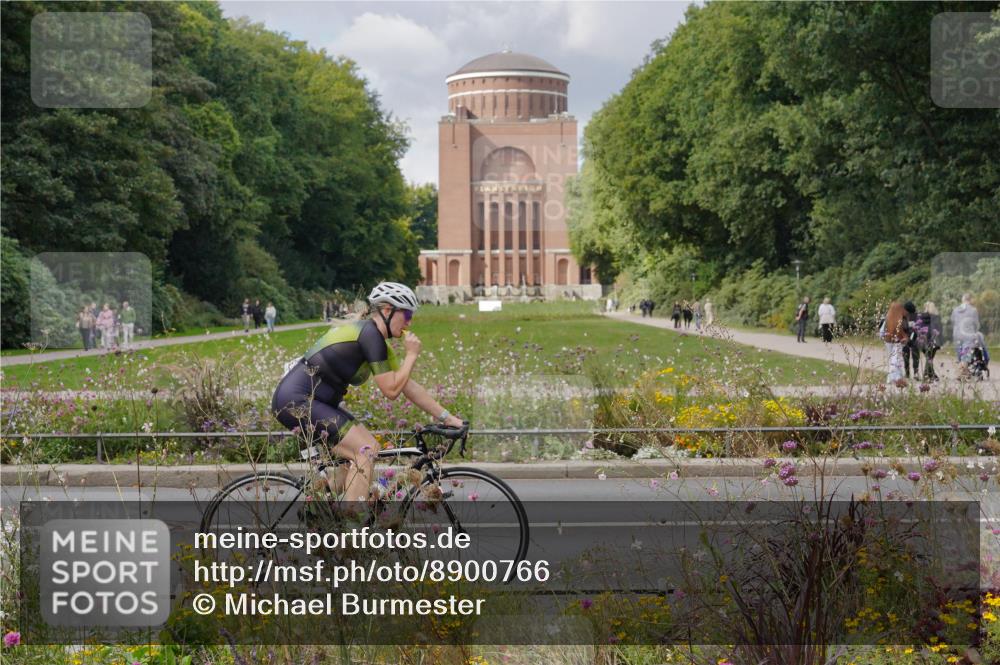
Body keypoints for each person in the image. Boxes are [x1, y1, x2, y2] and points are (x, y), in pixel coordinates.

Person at [272, 282, 464, 504]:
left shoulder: (375, 340)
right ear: (387, 310)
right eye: (407, 314)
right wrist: (411, 356)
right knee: (365, 451)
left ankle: (321, 511)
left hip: (316, 402)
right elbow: (391, 390)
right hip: (297, 400)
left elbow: (408, 387)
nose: (410, 322)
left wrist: (448, 418)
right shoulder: (369, 335)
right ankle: (353, 523)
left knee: (355, 460)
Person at [882, 300, 911, 383]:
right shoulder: (900, 319)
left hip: (888, 341)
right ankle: (893, 377)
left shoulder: (887, 318)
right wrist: (905, 337)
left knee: (893, 359)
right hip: (898, 341)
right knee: (895, 359)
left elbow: (883, 330)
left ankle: (897, 376)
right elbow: (902, 332)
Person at [913, 301, 942, 382]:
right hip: (933, 340)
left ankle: (932, 375)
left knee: (928, 358)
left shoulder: (920, 316)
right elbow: (939, 330)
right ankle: (926, 375)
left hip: (922, 340)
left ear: (925, 307)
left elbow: (916, 328)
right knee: (929, 358)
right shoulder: (936, 317)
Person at [951, 293, 981, 364]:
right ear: (970, 300)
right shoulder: (973, 310)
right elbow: (976, 324)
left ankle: (961, 363)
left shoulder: (955, 310)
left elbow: (952, 321)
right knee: (966, 356)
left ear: (963, 300)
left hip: (957, 334)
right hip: (968, 334)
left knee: (959, 354)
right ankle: (964, 367)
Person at [900, 302, 920, 378]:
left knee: (910, 356)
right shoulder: (915, 316)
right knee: (912, 356)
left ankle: (911, 373)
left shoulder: (907, 316)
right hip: (911, 338)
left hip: (909, 338)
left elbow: (904, 327)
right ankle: (912, 373)